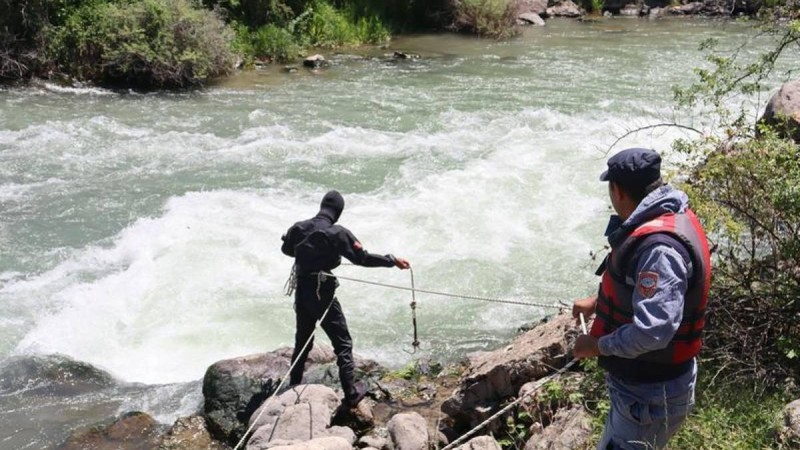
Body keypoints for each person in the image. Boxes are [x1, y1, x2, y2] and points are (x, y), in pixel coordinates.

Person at [571, 148, 711, 450]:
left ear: (617, 190)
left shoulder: (659, 250)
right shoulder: (670, 214)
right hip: (645, 394)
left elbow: (653, 332)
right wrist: (597, 303)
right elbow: (654, 293)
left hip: (648, 397)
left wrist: (597, 346)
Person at [281, 190, 411, 408]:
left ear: (322, 207)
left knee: (303, 340)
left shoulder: (299, 227)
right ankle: (350, 393)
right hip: (322, 292)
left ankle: (294, 384)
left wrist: (309, 252)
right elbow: (363, 258)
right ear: (338, 212)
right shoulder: (338, 233)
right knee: (343, 343)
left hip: (302, 291)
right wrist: (391, 260)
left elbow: (287, 249)